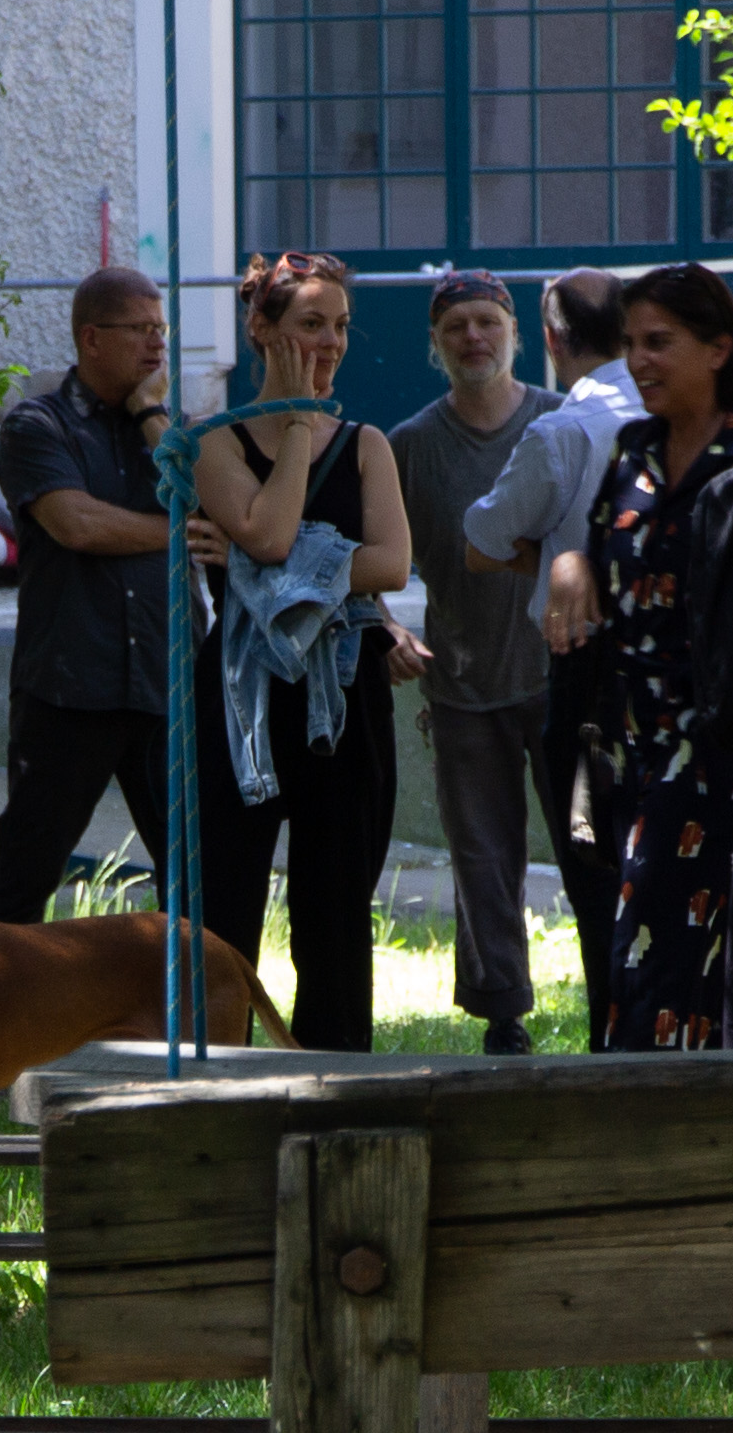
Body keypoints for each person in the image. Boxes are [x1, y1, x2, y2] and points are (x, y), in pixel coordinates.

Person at [189, 249, 411, 1052]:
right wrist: (290, 425)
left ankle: (335, 1086)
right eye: (309, 324)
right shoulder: (208, 441)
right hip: (240, 697)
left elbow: (392, 563)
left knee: (337, 916)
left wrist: (263, 564)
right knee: (222, 915)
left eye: (341, 325)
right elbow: (272, 529)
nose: (330, 342)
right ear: (261, 327)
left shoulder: (366, 444)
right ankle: (217, 1085)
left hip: (346, 701)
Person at [559, 263, 733, 1048]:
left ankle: (659, 1101)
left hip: (716, 749)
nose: (639, 360)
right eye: (630, 344)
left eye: (659, 343)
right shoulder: (632, 451)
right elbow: (600, 554)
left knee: (673, 943)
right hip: (625, 747)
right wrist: (571, 567)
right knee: (633, 939)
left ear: (716, 350)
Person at [0, 264, 184, 924]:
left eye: (162, 330)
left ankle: (203, 1024)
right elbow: (78, 525)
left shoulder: (173, 433)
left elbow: (226, 516)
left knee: (199, 886)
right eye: (140, 330)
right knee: (22, 880)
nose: (157, 345)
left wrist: (154, 415)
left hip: (169, 681)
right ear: (91, 339)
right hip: (69, 687)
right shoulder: (38, 426)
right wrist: (182, 532)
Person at [465, 268, 638, 1041]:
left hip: (591, 677)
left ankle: (612, 1043)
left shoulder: (563, 430)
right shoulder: (670, 410)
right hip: (690, 674)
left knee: (599, 873)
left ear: (550, 338)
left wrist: (555, 557)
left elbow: (481, 539)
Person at [392, 271, 562, 1050]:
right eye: (457, 326)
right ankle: (503, 1016)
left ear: (515, 333)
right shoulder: (410, 447)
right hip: (462, 684)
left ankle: (625, 993)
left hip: (563, 678)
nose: (474, 338)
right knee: (483, 858)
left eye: (488, 322)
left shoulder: (562, 425)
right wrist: (380, 629)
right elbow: (365, 551)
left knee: (589, 845)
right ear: (435, 343)